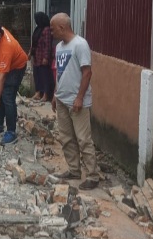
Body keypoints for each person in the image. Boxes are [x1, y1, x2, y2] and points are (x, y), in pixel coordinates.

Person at [50, 13, 100, 190]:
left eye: (53, 28)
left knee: (83, 139)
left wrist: (79, 97)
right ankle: (74, 170)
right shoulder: (59, 47)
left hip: (77, 101)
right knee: (66, 138)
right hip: (63, 99)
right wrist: (56, 94)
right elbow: (61, 72)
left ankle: (93, 176)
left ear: (62, 27)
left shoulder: (80, 44)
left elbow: (87, 72)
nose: (51, 32)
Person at [29, 12, 55, 102]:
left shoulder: (46, 30)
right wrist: (30, 53)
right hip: (36, 56)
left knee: (45, 76)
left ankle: (46, 94)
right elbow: (34, 42)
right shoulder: (38, 29)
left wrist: (46, 57)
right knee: (37, 75)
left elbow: (48, 45)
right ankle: (38, 93)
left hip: (43, 56)